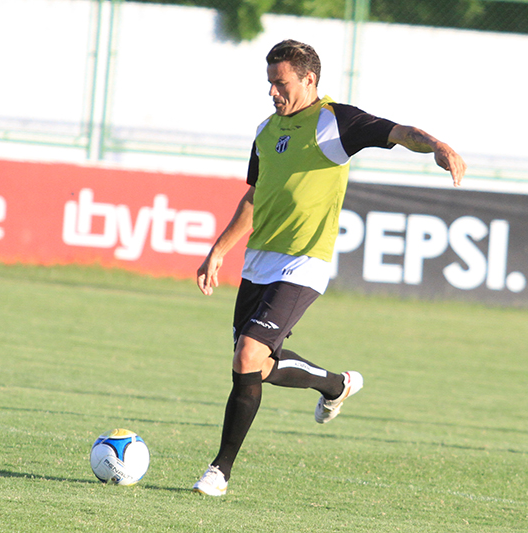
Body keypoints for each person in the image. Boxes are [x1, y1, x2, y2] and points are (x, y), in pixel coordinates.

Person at [192, 39, 467, 496]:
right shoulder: (265, 130)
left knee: (247, 355)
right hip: (259, 263)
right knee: (257, 368)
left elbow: (397, 132)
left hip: (304, 263)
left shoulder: (333, 121)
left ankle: (219, 471)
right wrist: (218, 250)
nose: (273, 93)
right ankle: (336, 384)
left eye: (280, 84)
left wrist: (437, 146)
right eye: (269, 84)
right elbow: (255, 196)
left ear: (309, 79)